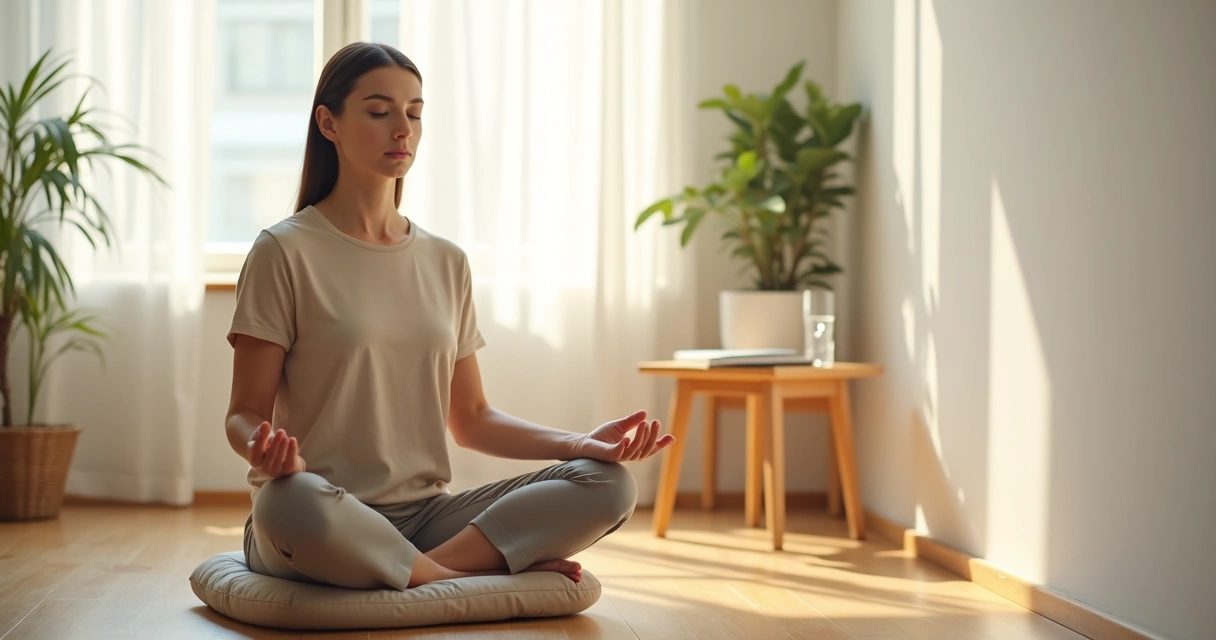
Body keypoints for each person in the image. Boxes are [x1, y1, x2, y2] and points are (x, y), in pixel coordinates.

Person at [223, 42, 675, 590]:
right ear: (329, 123)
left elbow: (473, 418)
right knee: (289, 503)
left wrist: (583, 444)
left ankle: (425, 571)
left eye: (414, 113)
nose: (402, 129)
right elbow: (243, 413)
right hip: (321, 510)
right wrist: (263, 449)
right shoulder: (283, 251)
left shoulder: (445, 260)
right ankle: (458, 573)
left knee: (610, 485)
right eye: (378, 110)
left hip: (427, 521)